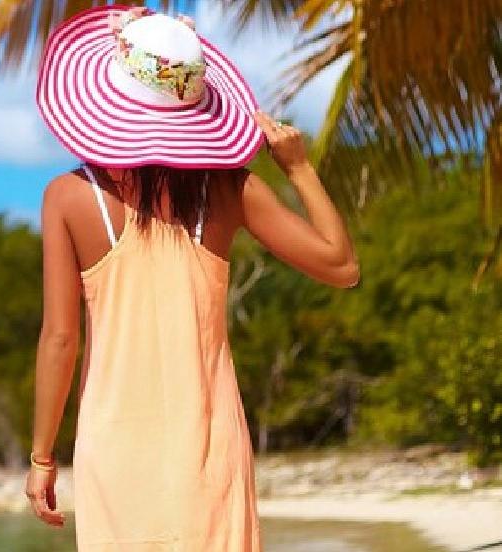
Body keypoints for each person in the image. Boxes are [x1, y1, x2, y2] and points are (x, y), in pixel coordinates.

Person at [22, 6, 360, 550]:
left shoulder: (67, 197)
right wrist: (298, 167)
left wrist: (42, 458)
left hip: (114, 446)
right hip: (208, 444)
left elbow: (61, 339)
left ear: (107, 95)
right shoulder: (230, 191)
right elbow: (341, 268)